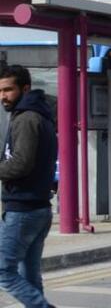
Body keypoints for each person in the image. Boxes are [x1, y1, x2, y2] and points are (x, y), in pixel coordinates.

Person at [0, 65, 58, 308]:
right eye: (0, 91)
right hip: (38, 207)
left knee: (4, 271)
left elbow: (21, 164)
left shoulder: (26, 119)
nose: (3, 96)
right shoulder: (39, 116)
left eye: (8, 90)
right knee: (30, 276)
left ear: (25, 89)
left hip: (23, 209)